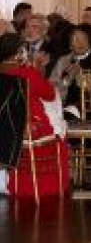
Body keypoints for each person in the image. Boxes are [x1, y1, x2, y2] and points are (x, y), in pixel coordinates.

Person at [0, 32, 71, 198]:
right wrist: (36, 70)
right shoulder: (26, 73)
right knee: (60, 130)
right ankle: (49, 185)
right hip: (27, 128)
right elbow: (49, 94)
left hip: (5, 128)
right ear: (18, 53)